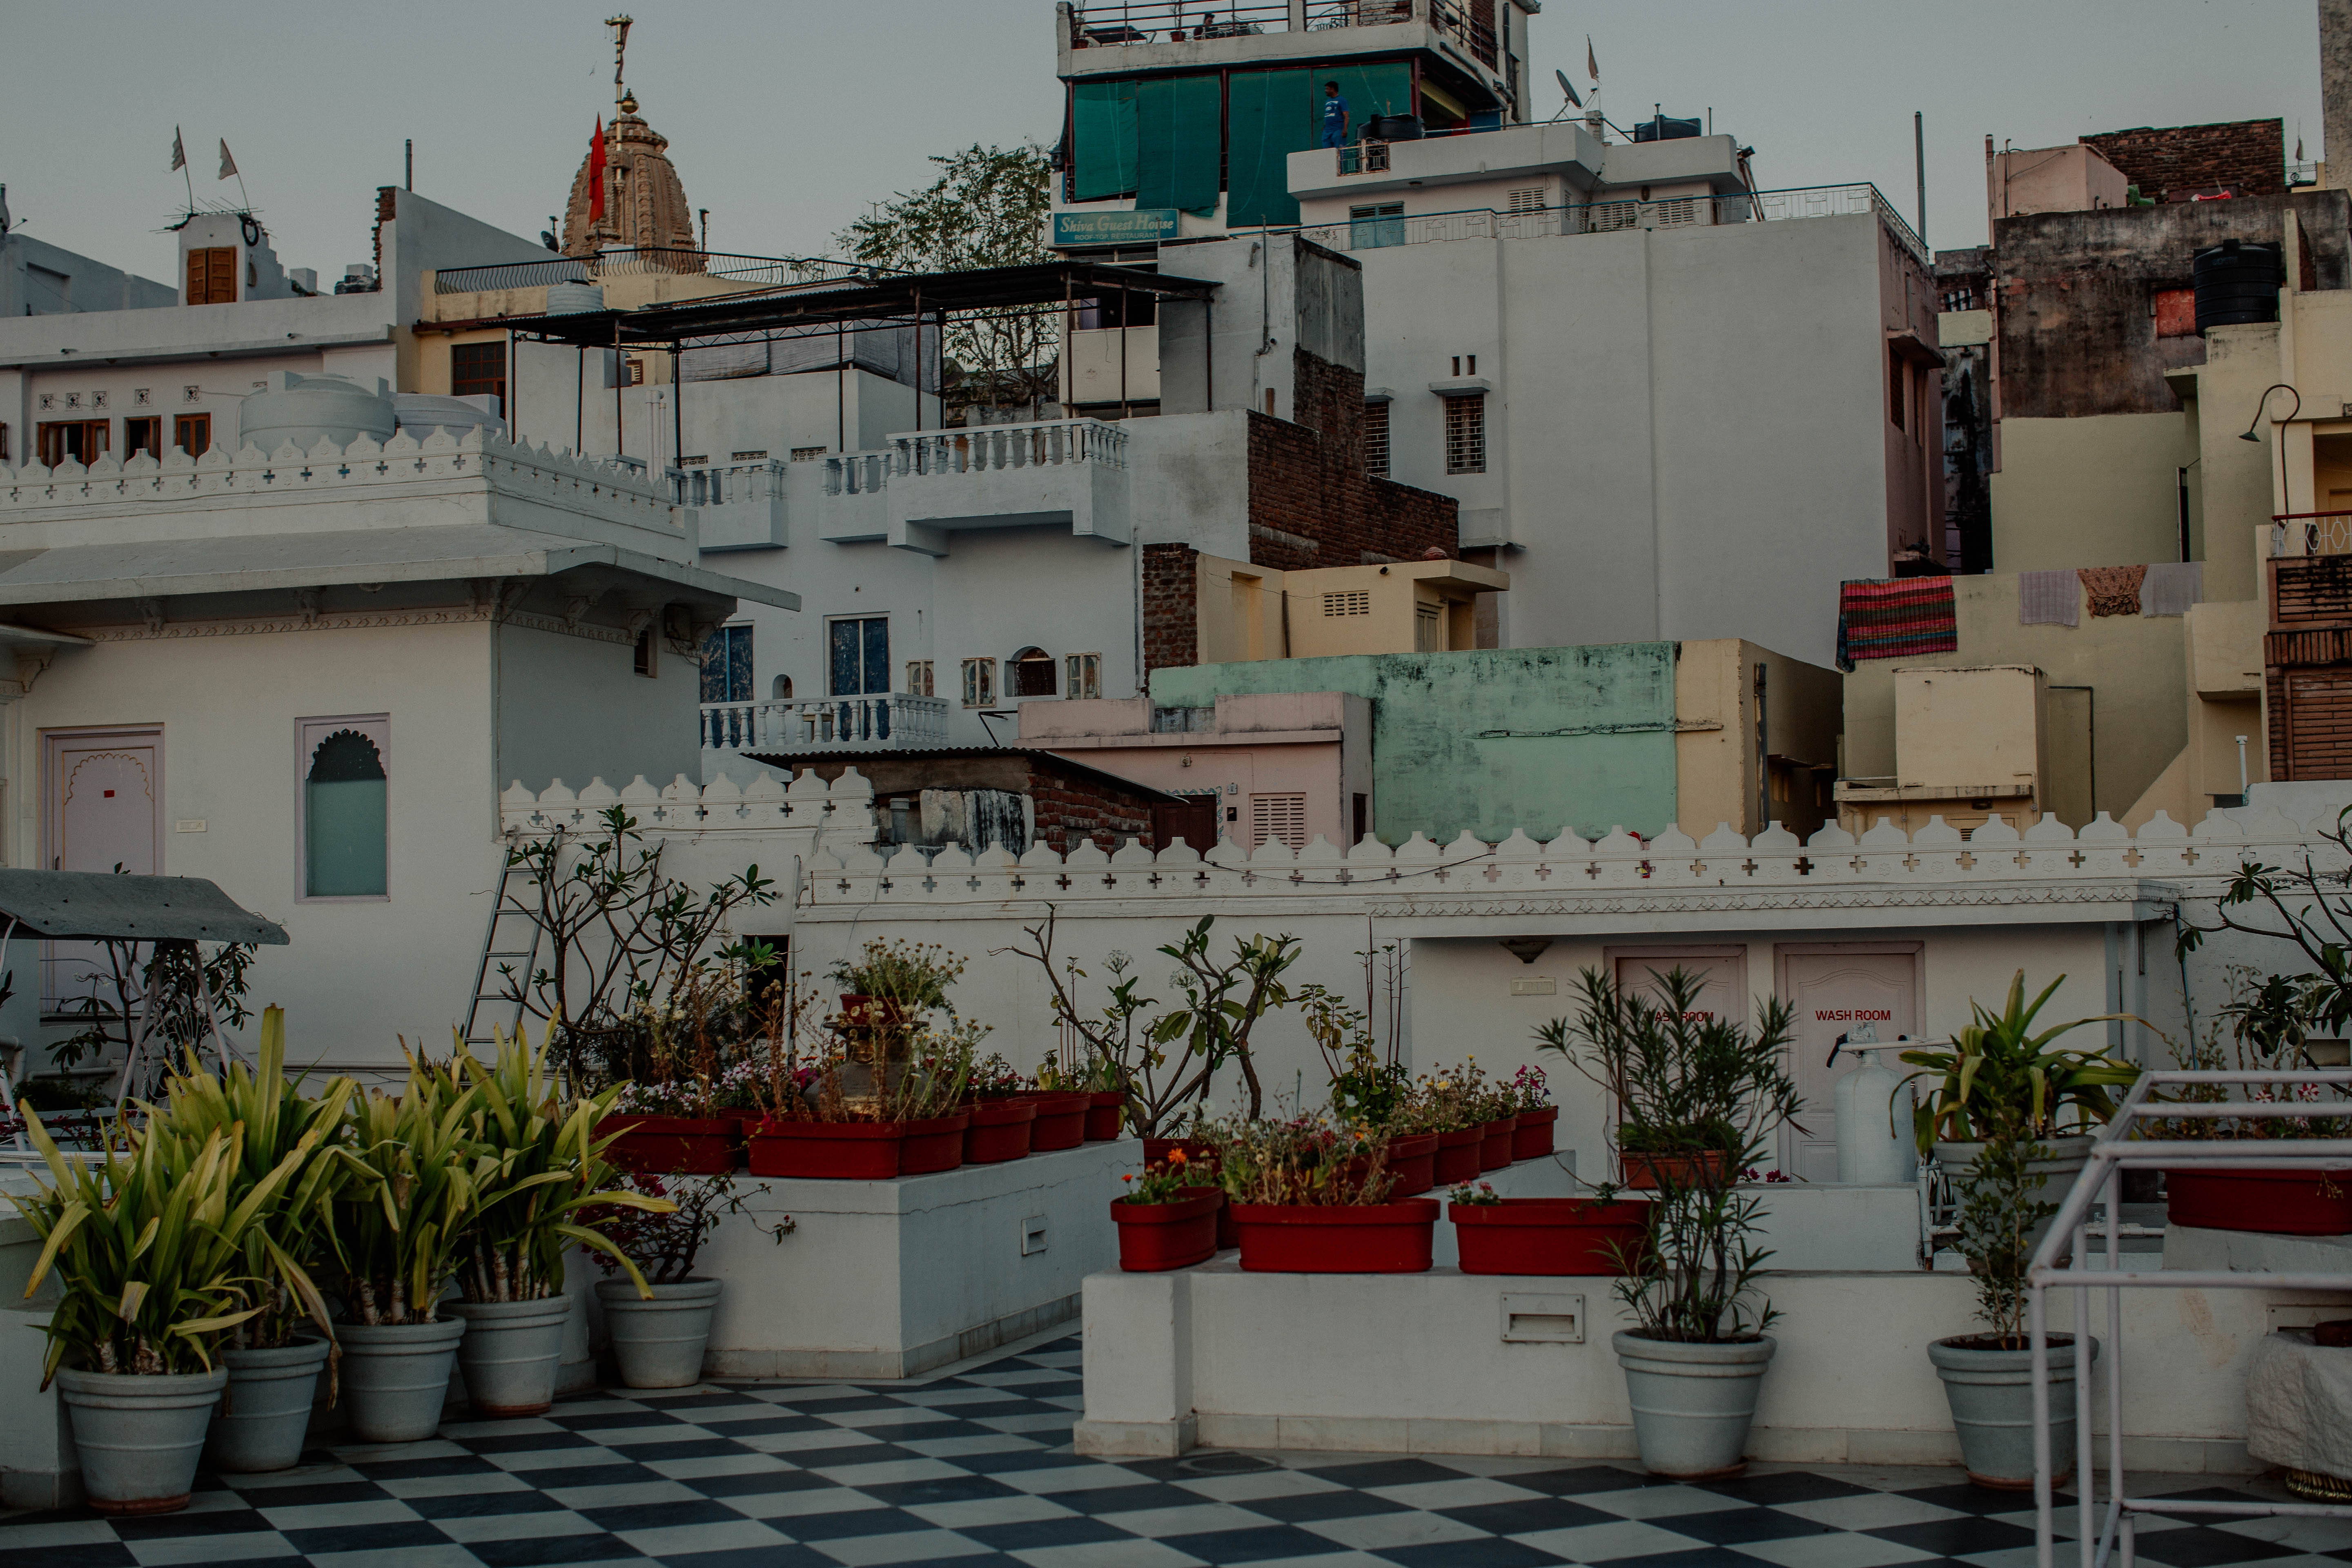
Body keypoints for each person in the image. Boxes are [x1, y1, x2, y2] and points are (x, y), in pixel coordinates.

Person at [1321, 80, 1350, 148]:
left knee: (1339, 151)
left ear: (1333, 89)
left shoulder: (1342, 100)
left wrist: (1345, 129)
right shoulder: (1328, 101)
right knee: (1327, 152)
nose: (1326, 91)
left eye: (1327, 89)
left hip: (1337, 130)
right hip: (1327, 131)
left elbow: (1346, 116)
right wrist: (1325, 126)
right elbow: (1329, 114)